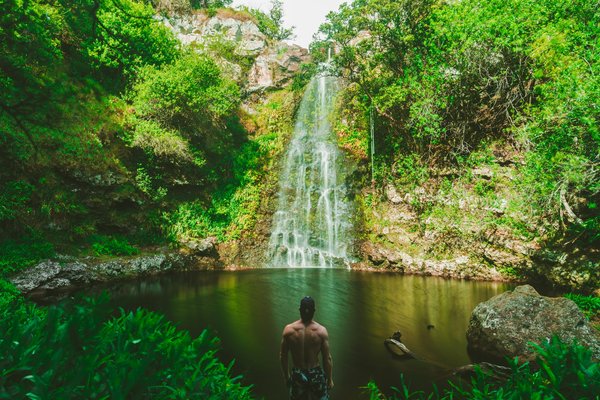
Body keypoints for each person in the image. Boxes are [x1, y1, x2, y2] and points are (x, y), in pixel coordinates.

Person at [280, 296, 333, 400]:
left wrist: (286, 377)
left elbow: (283, 356)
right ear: (314, 311)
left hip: (298, 374)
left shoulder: (289, 330)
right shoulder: (321, 331)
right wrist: (329, 379)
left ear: (300, 310)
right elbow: (327, 358)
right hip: (315, 374)